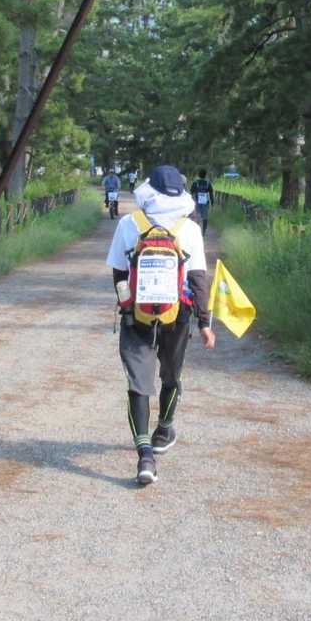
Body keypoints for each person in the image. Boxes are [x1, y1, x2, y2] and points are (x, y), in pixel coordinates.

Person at [107, 164, 214, 486]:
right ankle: (164, 429)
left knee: (138, 383)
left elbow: (119, 274)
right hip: (177, 315)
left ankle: (145, 457)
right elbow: (198, 278)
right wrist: (205, 322)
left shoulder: (130, 224)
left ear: (148, 191)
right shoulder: (189, 228)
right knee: (171, 375)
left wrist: (127, 306)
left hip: (137, 314)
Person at [190, 168, 214, 235]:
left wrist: (191, 201)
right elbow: (211, 194)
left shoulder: (195, 183)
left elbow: (191, 192)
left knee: (197, 217)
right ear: (205, 175)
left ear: (199, 175)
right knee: (205, 217)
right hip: (205, 202)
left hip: (197, 202)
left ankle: (196, 231)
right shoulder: (208, 183)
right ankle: (203, 231)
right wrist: (212, 202)